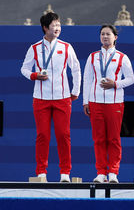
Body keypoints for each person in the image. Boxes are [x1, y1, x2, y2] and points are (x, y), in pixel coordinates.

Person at [20, 12, 82, 182]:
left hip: (62, 97)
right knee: (43, 135)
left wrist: (75, 91)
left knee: (63, 135)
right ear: (45, 28)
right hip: (41, 97)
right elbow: (24, 69)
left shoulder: (66, 46)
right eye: (54, 25)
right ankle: (41, 172)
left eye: (59, 26)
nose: (57, 28)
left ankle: (65, 173)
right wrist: (35, 75)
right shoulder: (34, 48)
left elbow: (75, 69)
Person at [82, 25, 134, 183]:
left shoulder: (122, 57)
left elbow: (131, 78)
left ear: (115, 37)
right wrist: (86, 101)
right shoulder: (93, 57)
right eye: (103, 34)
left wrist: (116, 84)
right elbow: (87, 79)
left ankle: (113, 172)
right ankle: (100, 172)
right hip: (95, 101)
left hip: (114, 102)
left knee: (113, 138)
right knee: (98, 139)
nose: (105, 37)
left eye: (108, 34)